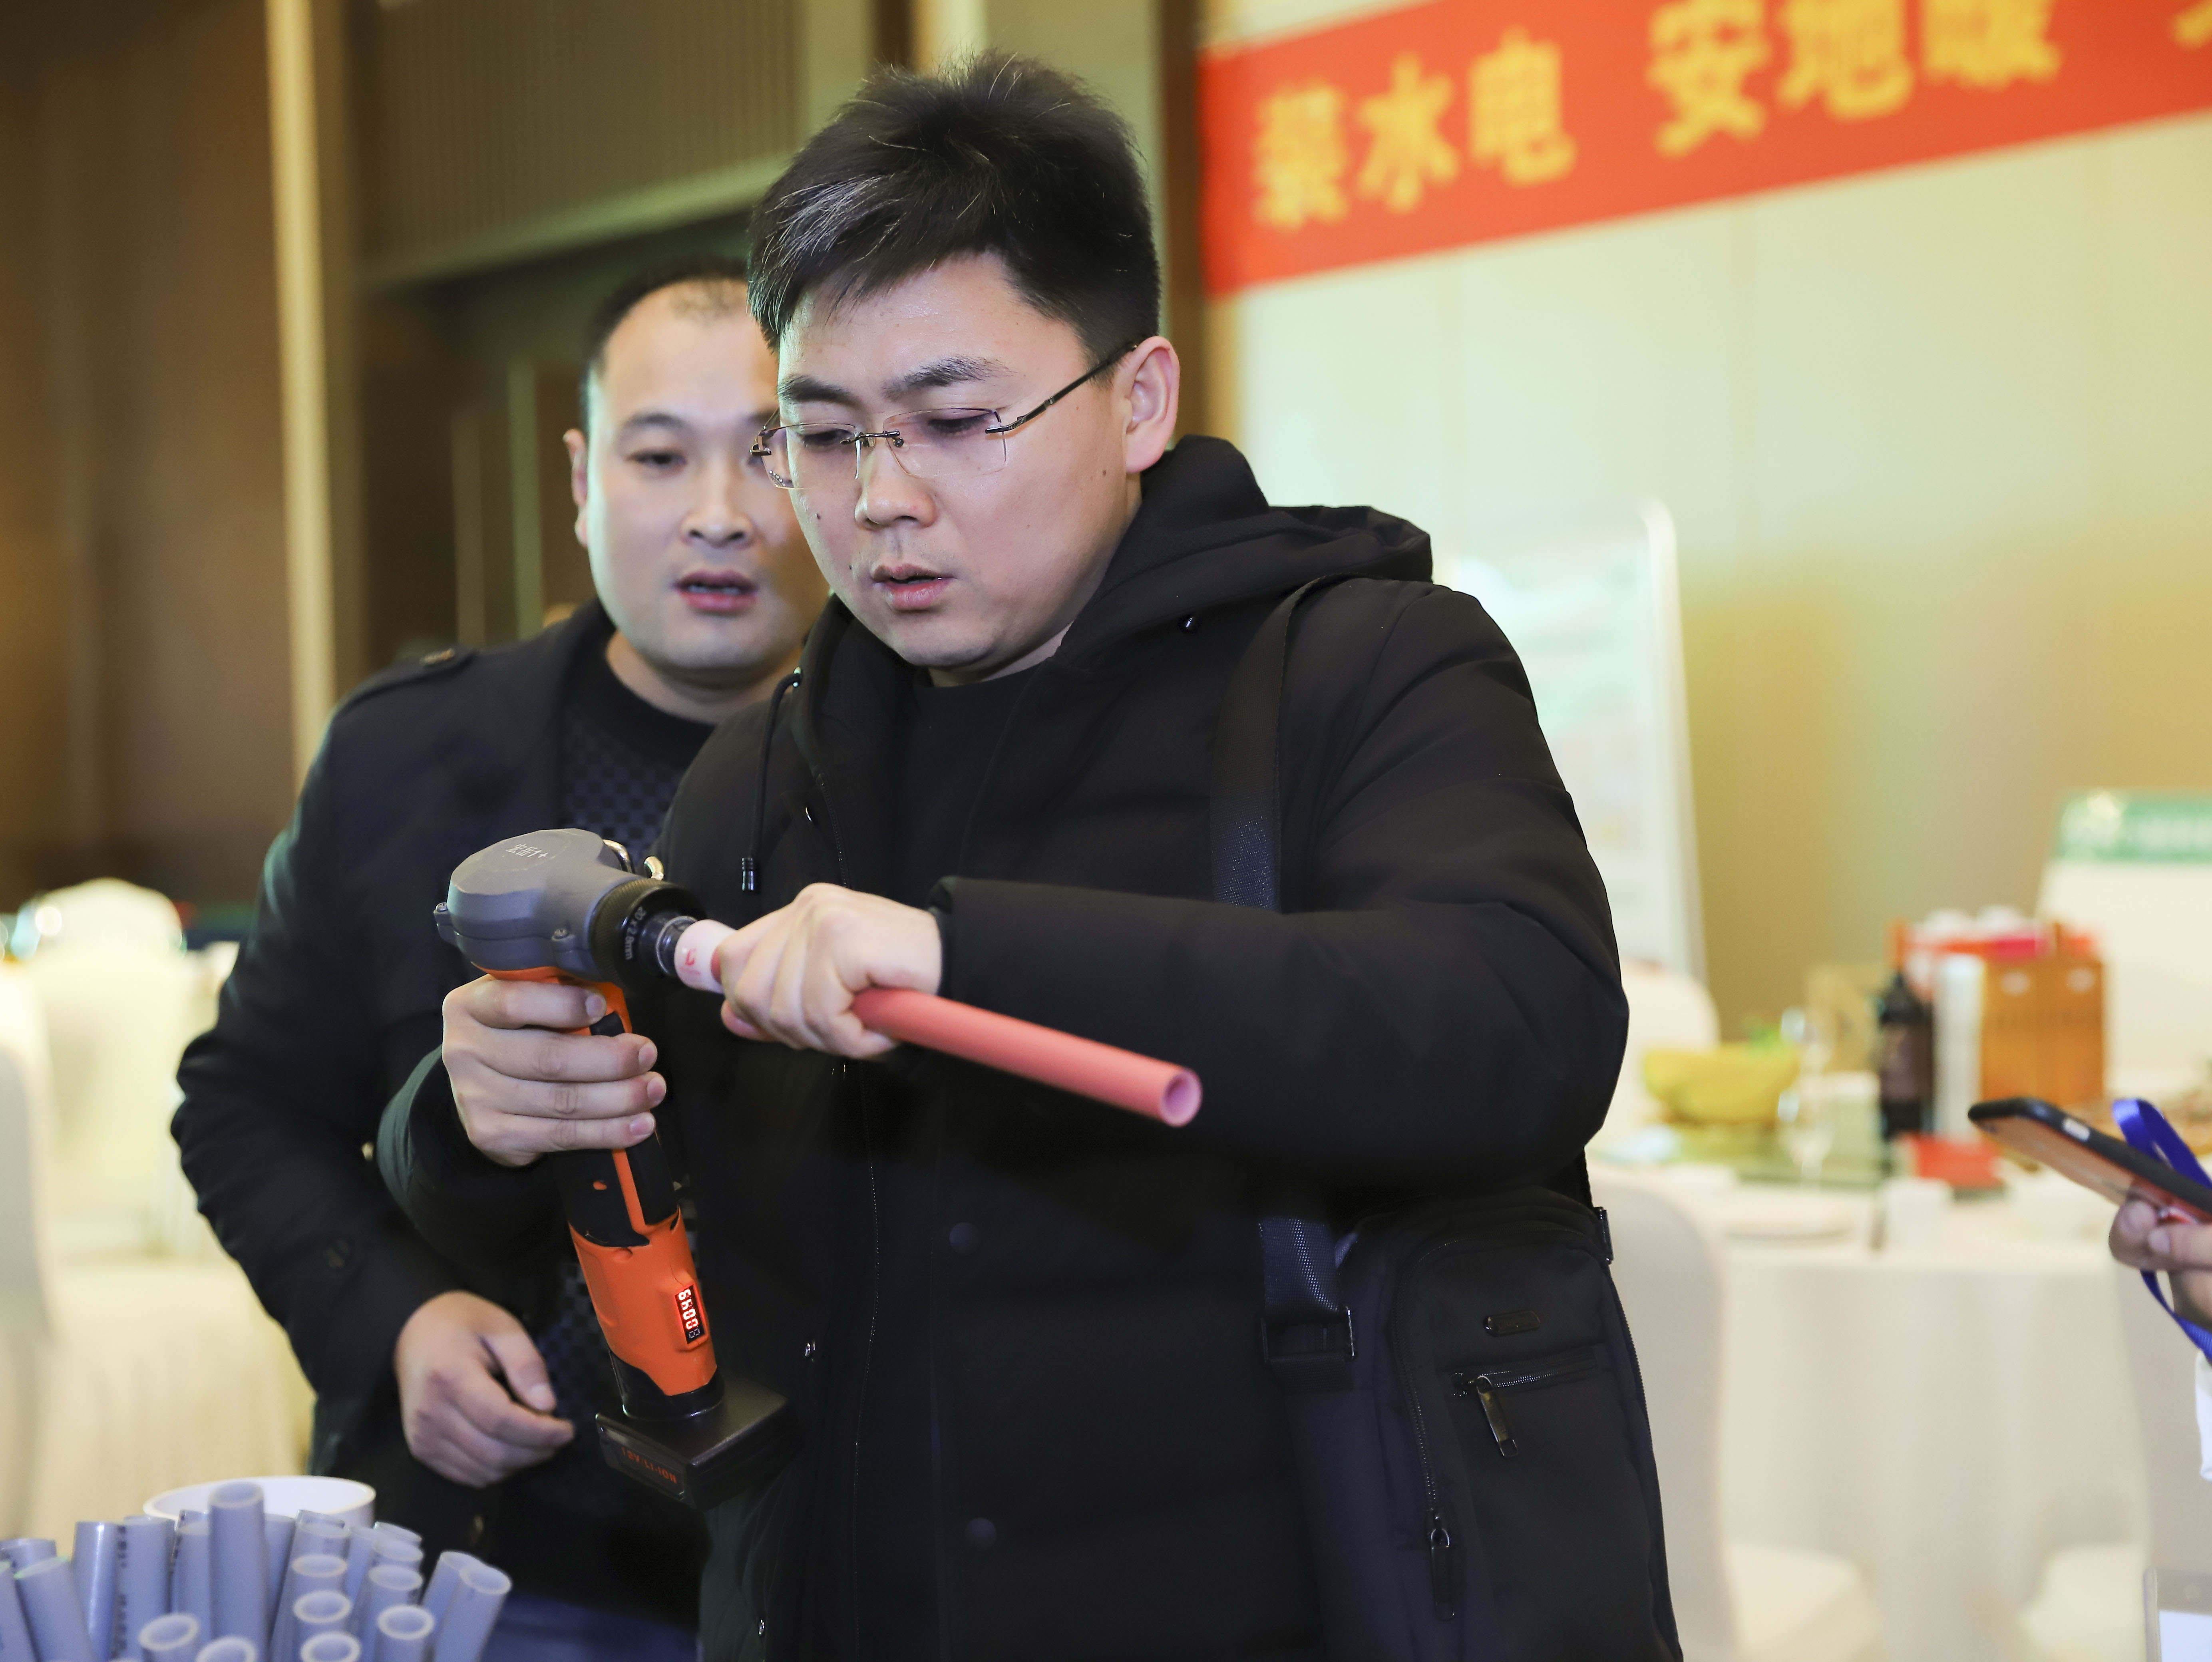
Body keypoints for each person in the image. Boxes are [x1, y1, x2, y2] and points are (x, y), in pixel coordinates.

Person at [384, 58, 1628, 1660]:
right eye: (822, 435)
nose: (880, 501)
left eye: (957, 421)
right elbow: (630, 1176)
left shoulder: (1363, 669)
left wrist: (965, 955)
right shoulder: (764, 770)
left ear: (1139, 398)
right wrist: (477, 1114)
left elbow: (1516, 1023)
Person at [175, 256, 826, 1660]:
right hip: (499, 1559)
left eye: (772, 450)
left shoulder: (922, 770)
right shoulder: (403, 757)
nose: (721, 513)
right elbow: (244, 1105)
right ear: (583, 480)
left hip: (833, 1563)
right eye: (661, 456)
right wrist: (396, 1316)